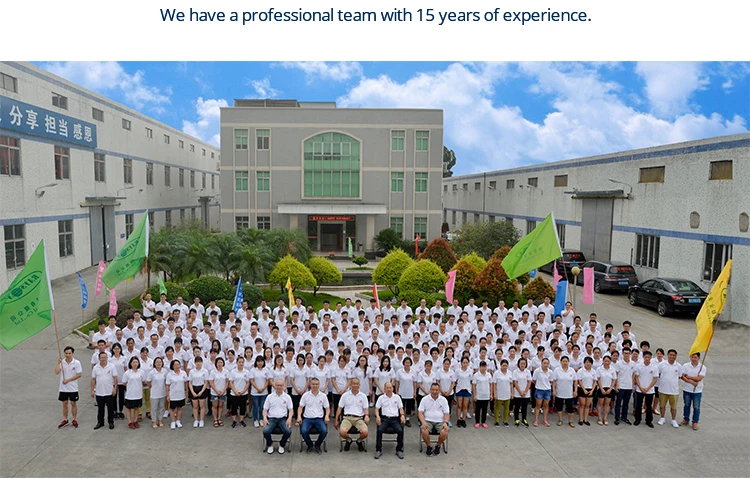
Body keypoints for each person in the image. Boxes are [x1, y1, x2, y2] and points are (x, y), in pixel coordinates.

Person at [336, 377, 370, 452]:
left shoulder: (363, 396)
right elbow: (339, 408)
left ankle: (359, 441)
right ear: (350, 384)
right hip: (347, 418)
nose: (355, 385)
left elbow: (366, 408)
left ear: (359, 385)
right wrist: (336, 420)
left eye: (357, 384)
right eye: (353, 384)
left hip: (359, 418)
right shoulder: (345, 395)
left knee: (365, 432)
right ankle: (348, 440)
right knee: (342, 431)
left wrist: (367, 416)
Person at [298, 378, 330, 454]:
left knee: (324, 431)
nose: (315, 386)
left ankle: (317, 445)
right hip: (307, 419)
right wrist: (299, 416)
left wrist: (327, 416)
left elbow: (327, 408)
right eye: (313, 384)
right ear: (310, 385)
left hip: (319, 419)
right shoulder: (305, 395)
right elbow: (300, 407)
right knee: (303, 431)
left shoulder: (323, 396)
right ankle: (310, 445)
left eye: (316, 384)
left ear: (319, 385)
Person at [374, 381, 405, 459]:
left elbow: (401, 408)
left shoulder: (397, 397)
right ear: (385, 389)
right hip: (385, 419)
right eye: (387, 388)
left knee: (400, 430)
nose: (389, 389)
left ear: (393, 388)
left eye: (390, 387)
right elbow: (376, 409)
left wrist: (402, 415)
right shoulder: (381, 398)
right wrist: (377, 416)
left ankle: (399, 450)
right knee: (379, 430)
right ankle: (378, 450)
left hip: (395, 419)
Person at [417, 383, 450, 456]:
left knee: (445, 431)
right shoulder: (424, 399)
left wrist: (445, 422)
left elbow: (447, 413)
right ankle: (429, 446)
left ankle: (438, 445)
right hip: (427, 421)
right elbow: (420, 412)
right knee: (424, 431)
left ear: (439, 390)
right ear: (430, 390)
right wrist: (423, 422)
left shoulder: (443, 400)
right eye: (433, 390)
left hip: (440, 421)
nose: (435, 391)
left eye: (436, 390)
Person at [262, 379, 293, 454]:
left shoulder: (287, 397)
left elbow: (291, 410)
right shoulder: (269, 397)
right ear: (275, 386)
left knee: (288, 431)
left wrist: (289, 418)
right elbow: (265, 409)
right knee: (266, 431)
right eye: (278, 385)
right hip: (272, 419)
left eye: (281, 385)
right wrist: (265, 418)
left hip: (283, 419)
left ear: (283, 386)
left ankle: (282, 444)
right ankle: (270, 444)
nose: (279, 387)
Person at [56, 346, 82, 429]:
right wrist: (58, 363)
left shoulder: (76, 363)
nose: (68, 355)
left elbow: (79, 374)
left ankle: (74, 419)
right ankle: (65, 419)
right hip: (63, 388)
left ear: (72, 353)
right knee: (64, 403)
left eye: (69, 353)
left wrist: (68, 380)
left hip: (73, 387)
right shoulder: (62, 362)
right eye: (66, 353)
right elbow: (56, 372)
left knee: (73, 403)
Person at [91, 351, 117, 430]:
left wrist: (115, 388)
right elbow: (93, 379)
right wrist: (92, 390)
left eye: (105, 357)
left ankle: (111, 422)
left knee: (110, 408)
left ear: (107, 357)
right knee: (100, 408)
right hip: (99, 392)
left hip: (109, 391)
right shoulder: (96, 367)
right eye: (102, 358)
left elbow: (115, 378)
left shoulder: (111, 366)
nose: (103, 359)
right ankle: (100, 422)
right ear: (99, 359)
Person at [680, 352, 707, 430]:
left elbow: (699, 378)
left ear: (698, 358)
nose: (693, 359)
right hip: (687, 389)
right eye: (692, 357)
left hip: (697, 391)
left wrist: (688, 377)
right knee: (686, 405)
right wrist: (691, 382)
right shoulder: (685, 366)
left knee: (696, 407)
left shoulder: (702, 367)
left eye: (695, 357)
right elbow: (682, 376)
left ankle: (695, 422)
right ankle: (686, 418)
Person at [657, 349, 682, 428]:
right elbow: (658, 374)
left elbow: (680, 376)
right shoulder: (661, 364)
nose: (672, 356)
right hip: (663, 389)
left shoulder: (678, 366)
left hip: (674, 390)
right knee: (662, 405)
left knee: (673, 407)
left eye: (674, 355)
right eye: (670, 355)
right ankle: (662, 418)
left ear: (676, 356)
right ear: (667, 355)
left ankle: (673, 420)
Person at [633, 350, 659, 428]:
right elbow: (636, 377)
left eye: (648, 357)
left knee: (648, 406)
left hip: (650, 390)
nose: (647, 358)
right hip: (639, 389)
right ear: (643, 357)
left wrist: (648, 388)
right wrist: (640, 387)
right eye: (646, 357)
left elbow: (655, 379)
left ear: (651, 358)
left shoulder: (654, 367)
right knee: (639, 405)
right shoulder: (639, 366)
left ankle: (649, 421)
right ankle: (637, 419)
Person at [552, 356, 577, 427]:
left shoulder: (572, 370)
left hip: (569, 393)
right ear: (561, 362)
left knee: (570, 408)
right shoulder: (557, 370)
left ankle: (570, 421)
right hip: (559, 392)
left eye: (566, 361)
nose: (565, 363)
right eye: (563, 361)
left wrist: (575, 391)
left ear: (568, 362)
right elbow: (554, 381)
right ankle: (560, 420)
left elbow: (575, 381)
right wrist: (554, 390)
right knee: (559, 407)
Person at [123, 357, 145, 429]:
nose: (135, 364)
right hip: (130, 394)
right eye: (133, 362)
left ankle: (135, 421)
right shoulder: (127, 373)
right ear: (130, 363)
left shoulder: (141, 372)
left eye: (136, 362)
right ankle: (130, 422)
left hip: (138, 394)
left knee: (136, 408)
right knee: (128, 408)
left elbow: (143, 381)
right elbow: (124, 383)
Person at [228, 356, 251, 427]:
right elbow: (231, 382)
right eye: (239, 362)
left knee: (242, 407)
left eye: (242, 362)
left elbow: (248, 382)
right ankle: (234, 420)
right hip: (234, 393)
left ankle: (241, 420)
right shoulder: (233, 372)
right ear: (237, 363)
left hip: (243, 393)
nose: (241, 363)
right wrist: (235, 391)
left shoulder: (246, 372)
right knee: (234, 407)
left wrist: (243, 391)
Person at [165, 359, 188, 429]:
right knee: (172, 409)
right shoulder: (169, 375)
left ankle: (178, 420)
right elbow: (167, 386)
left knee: (180, 408)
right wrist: (167, 395)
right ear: (172, 366)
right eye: (175, 365)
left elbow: (186, 383)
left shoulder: (183, 373)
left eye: (178, 364)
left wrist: (187, 392)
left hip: (181, 394)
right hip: (173, 395)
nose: (177, 366)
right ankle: (173, 421)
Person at [595, 355, 617, 426]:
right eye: (605, 361)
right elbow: (597, 379)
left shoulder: (612, 369)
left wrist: (610, 388)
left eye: (608, 361)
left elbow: (614, 380)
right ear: (603, 361)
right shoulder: (599, 369)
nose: (607, 362)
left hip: (609, 389)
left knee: (607, 404)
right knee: (600, 403)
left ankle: (605, 418)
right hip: (601, 388)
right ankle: (599, 418)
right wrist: (601, 388)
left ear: (610, 361)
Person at [188, 356, 209, 428]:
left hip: (202, 388)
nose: (198, 363)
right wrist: (192, 392)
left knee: (202, 406)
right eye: (197, 362)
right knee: (195, 406)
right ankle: (196, 420)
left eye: (200, 362)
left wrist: (201, 391)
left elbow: (206, 382)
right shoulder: (192, 371)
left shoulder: (205, 371)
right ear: (195, 363)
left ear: (202, 362)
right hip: (194, 388)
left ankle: (201, 420)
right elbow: (190, 382)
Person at [147, 357, 167, 428]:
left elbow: (166, 382)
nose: (159, 363)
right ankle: (154, 421)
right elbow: (148, 382)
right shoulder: (151, 372)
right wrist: (152, 388)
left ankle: (160, 420)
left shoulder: (165, 371)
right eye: (157, 362)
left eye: (160, 362)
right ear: (154, 364)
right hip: (154, 394)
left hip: (163, 393)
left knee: (162, 408)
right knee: (154, 408)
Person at [576, 357, 597, 426]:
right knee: (582, 405)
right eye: (587, 362)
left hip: (590, 389)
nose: (588, 364)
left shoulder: (593, 371)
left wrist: (592, 390)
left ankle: (585, 419)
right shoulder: (580, 371)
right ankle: (580, 419)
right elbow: (579, 381)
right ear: (584, 363)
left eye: (590, 362)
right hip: (582, 389)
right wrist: (584, 390)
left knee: (587, 405)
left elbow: (595, 381)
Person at [249, 356, 270, 427]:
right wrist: (258, 388)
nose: (260, 363)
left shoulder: (266, 370)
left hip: (264, 392)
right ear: (256, 362)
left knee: (262, 407)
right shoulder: (253, 370)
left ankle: (261, 419)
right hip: (255, 392)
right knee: (255, 407)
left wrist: (263, 388)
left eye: (261, 361)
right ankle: (255, 420)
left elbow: (268, 381)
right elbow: (251, 380)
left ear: (263, 362)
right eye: (258, 361)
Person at [532, 357, 553, 427]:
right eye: (544, 363)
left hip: (547, 390)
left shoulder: (550, 372)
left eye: (547, 363)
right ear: (541, 363)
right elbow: (534, 380)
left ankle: (544, 419)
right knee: (538, 405)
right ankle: (536, 420)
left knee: (546, 405)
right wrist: (538, 385)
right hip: (539, 390)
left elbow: (551, 381)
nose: (546, 365)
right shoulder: (537, 371)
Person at [491, 359, 513, 427]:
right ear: (500, 365)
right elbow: (494, 384)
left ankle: (505, 421)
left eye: (506, 365)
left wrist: (512, 393)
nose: (505, 367)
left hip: (507, 392)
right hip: (499, 392)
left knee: (506, 408)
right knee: (497, 407)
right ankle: (496, 421)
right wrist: (494, 393)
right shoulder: (496, 373)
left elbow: (511, 383)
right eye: (503, 365)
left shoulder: (509, 373)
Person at [512, 358, 532, 427]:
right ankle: (516, 419)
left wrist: (525, 391)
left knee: (524, 407)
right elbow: (515, 382)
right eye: (521, 363)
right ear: (518, 364)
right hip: (518, 392)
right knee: (517, 406)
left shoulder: (528, 372)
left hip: (526, 393)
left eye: (524, 363)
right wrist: (520, 391)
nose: (522, 365)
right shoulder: (515, 372)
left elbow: (529, 382)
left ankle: (524, 419)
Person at [471, 361, 492, 428]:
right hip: (479, 395)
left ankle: (483, 422)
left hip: (486, 395)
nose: (483, 368)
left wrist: (491, 394)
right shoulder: (476, 375)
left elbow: (491, 385)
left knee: (485, 409)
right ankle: (477, 422)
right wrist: (474, 395)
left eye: (484, 366)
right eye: (482, 366)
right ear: (480, 367)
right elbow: (474, 385)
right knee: (477, 409)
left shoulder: (489, 375)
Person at [209, 357, 228, 427]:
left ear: (223, 363)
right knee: (215, 406)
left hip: (223, 392)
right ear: (216, 364)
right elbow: (211, 382)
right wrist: (217, 391)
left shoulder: (226, 371)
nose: (220, 364)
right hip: (214, 392)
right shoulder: (213, 372)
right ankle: (215, 419)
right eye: (218, 362)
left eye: (221, 362)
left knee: (221, 406)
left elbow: (227, 382)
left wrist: (223, 390)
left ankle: (219, 418)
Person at [454, 357, 473, 428]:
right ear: (461, 363)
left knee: (465, 406)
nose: (465, 364)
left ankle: (464, 420)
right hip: (459, 389)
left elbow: (471, 380)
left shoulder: (470, 371)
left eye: (466, 363)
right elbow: (455, 380)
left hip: (467, 390)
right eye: (464, 363)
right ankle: (458, 419)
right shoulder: (457, 371)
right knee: (459, 405)